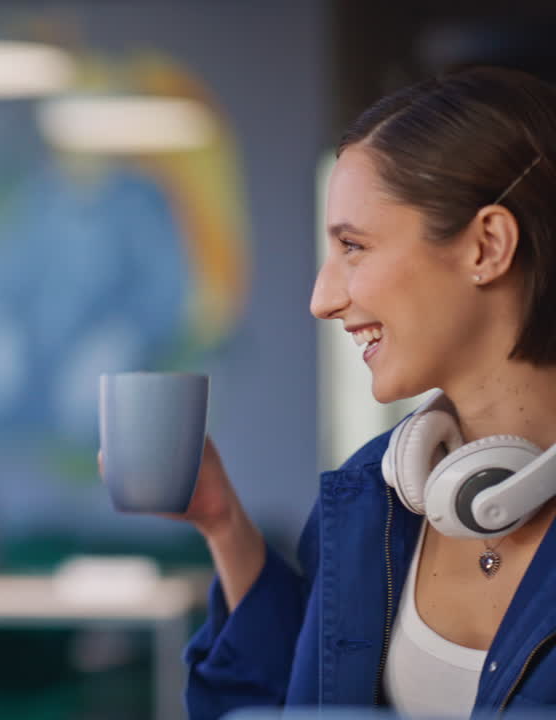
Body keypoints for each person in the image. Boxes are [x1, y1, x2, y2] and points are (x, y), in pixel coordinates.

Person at [135, 65, 556, 718]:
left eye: (354, 247)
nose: (322, 300)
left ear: (487, 245)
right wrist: (224, 525)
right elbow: (287, 706)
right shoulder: (373, 499)